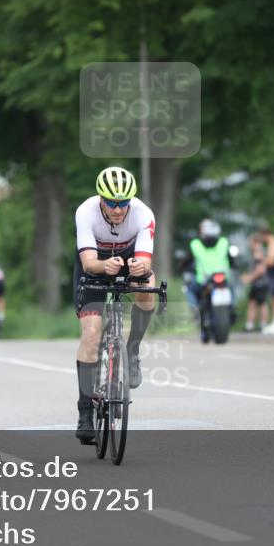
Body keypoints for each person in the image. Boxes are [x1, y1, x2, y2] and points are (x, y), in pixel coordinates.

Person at [73, 166, 157, 444]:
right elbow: (88, 263)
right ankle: (85, 411)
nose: (118, 210)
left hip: (128, 261)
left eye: (124, 203)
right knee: (91, 334)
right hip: (94, 268)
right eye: (112, 203)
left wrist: (140, 267)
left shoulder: (143, 214)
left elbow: (145, 261)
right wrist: (104, 266)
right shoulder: (85, 212)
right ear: (101, 199)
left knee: (148, 287)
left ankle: (132, 349)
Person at [187, 218, 235, 342]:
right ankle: (232, 308)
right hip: (223, 277)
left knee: (190, 290)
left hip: (203, 279)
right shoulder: (223, 242)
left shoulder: (195, 244)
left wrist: (182, 267)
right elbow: (231, 260)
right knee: (231, 288)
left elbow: (188, 260)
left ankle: (195, 311)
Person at [253, 228, 274, 334]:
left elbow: (271, 262)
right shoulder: (273, 245)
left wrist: (262, 259)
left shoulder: (273, 245)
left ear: (266, 235)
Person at [241, 242, 271, 332]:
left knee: (262, 304)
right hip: (255, 284)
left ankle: (263, 325)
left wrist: (249, 278)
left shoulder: (259, 253)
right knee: (252, 303)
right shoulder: (254, 254)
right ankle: (249, 325)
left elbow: (260, 269)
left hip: (261, 283)